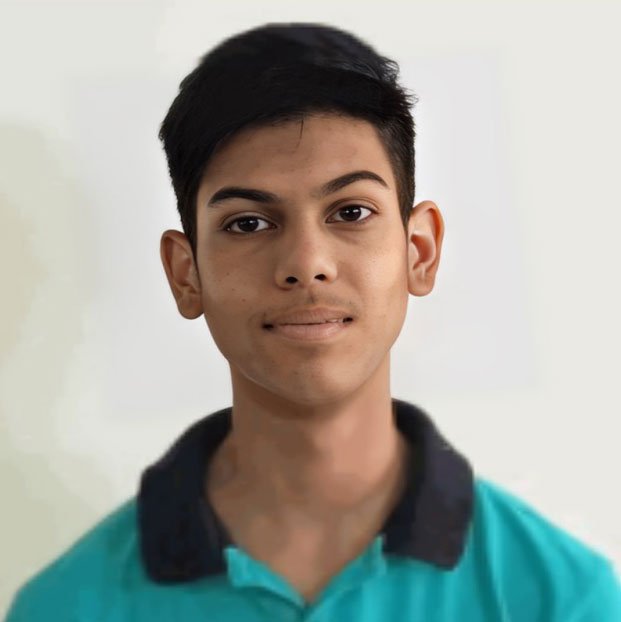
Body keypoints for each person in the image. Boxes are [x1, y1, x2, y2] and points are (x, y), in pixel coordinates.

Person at [5, 21, 621, 622]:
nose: (306, 264)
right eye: (248, 223)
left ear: (419, 251)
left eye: (350, 212)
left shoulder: (560, 600)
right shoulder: (64, 609)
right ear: (186, 274)